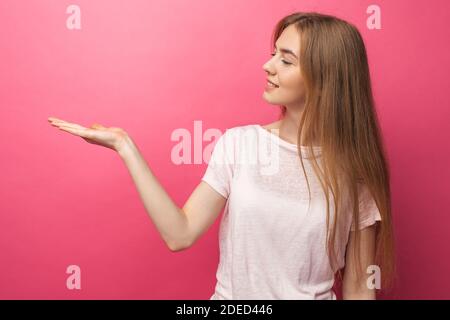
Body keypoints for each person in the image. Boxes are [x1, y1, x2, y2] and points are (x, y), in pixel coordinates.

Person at [47, 11, 395, 300]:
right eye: (273, 53)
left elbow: (359, 287)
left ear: (325, 78)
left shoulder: (354, 171)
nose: (268, 66)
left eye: (285, 60)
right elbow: (179, 234)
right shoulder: (238, 145)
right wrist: (125, 147)